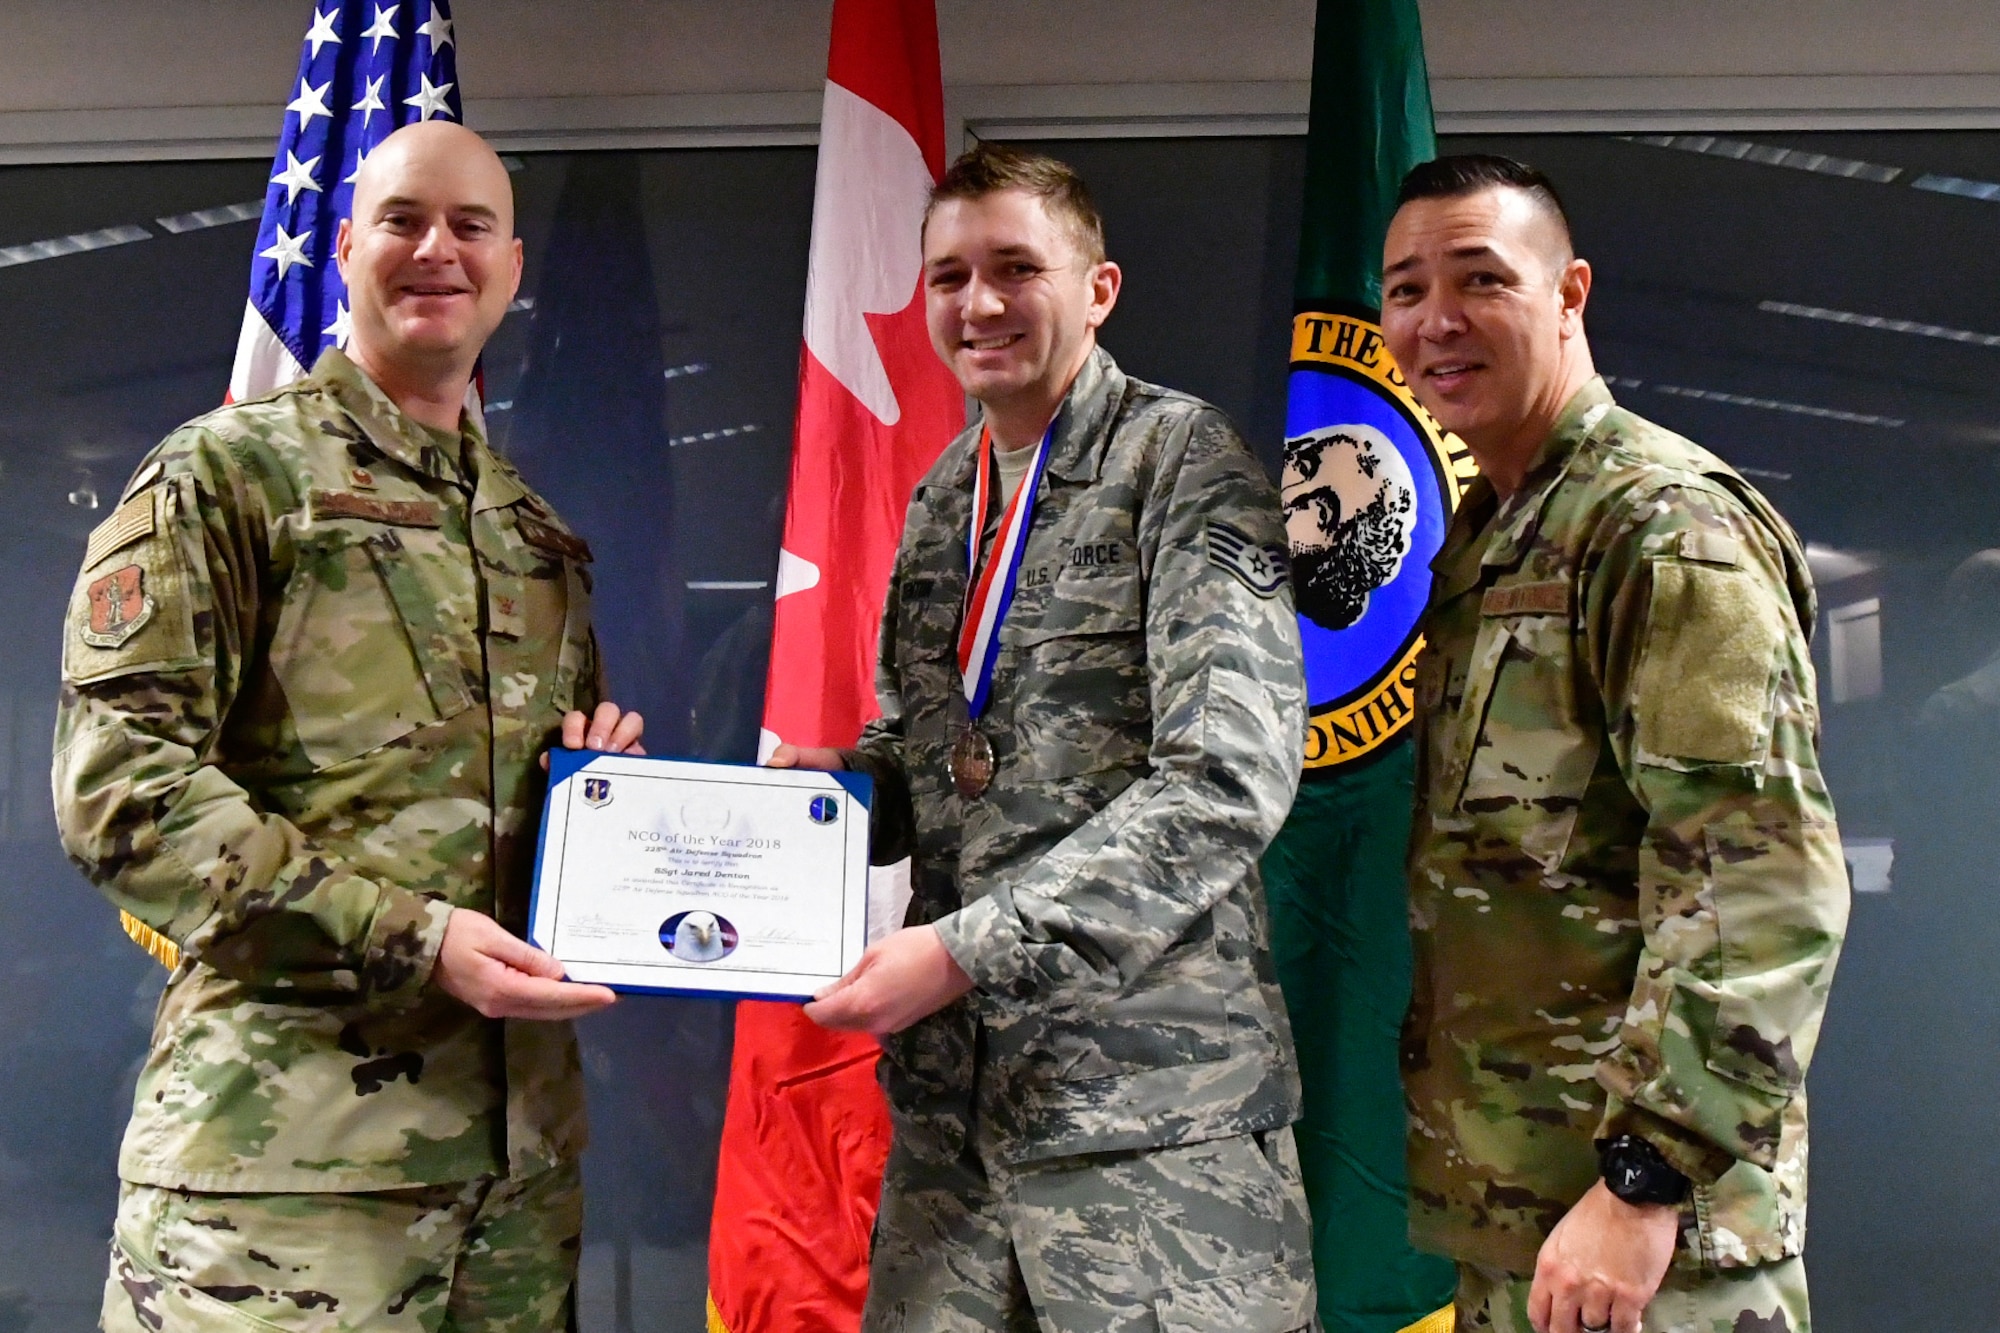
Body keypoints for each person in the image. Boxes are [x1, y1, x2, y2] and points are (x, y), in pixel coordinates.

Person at [54, 120, 642, 1332]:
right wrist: (411, 936)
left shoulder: (536, 538)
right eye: (404, 220)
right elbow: (120, 786)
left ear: (511, 267)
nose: (439, 250)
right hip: (285, 1182)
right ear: (344, 247)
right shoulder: (226, 476)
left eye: (471, 226)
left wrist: (599, 813)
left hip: (514, 1188)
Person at [770, 143, 1317, 1332]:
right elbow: (939, 755)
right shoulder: (938, 499)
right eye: (947, 275)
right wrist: (843, 793)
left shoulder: (1181, 463)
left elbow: (1225, 778)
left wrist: (965, 949)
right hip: (955, 1133)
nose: (977, 305)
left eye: (1015, 268)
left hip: (1151, 1132)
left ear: (1097, 289)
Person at [1381, 154, 1847, 1333]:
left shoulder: (1658, 526)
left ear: (1567, 293)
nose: (1435, 319)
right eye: (1404, 289)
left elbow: (1761, 880)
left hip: (1645, 1234)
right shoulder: (1491, 539)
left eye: (1479, 278)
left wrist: (1645, 1179)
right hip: (1515, 1209)